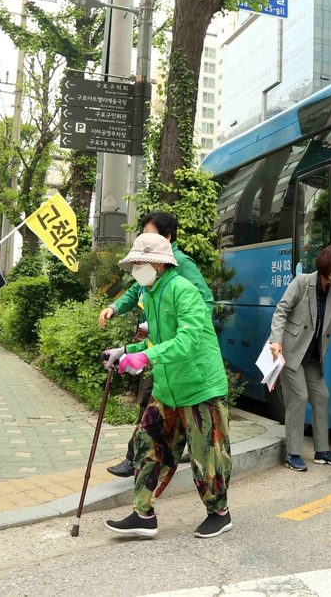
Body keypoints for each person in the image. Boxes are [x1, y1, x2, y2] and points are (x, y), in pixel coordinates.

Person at [103, 233, 233, 540]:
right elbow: (156, 341)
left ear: (158, 265)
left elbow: (187, 342)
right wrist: (126, 352)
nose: (135, 269)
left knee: (207, 455)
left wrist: (145, 356)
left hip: (201, 387)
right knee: (149, 447)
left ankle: (219, 513)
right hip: (167, 386)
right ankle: (142, 514)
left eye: (139, 263)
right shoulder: (149, 294)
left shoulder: (183, 291)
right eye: (133, 263)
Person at [98, 211, 215, 479]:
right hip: (157, 347)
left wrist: (189, 332)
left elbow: (203, 302)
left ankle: (141, 459)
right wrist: (114, 309)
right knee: (152, 405)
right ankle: (142, 464)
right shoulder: (147, 269)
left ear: (167, 238)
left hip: (180, 353)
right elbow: (134, 291)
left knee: (156, 404)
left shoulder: (181, 266)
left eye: (150, 236)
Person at [269, 245, 331, 472]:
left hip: (312, 357)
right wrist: (275, 340)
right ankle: (293, 453)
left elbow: (329, 326)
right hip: (290, 352)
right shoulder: (302, 282)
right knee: (299, 398)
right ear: (328, 266)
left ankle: (322, 451)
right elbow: (281, 310)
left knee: (322, 397)